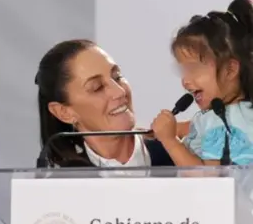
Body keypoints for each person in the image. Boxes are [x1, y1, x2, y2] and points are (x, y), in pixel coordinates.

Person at [36, 39, 174, 167]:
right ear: (64, 112)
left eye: (117, 76)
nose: (119, 91)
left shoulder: (179, 153)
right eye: (97, 87)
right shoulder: (63, 186)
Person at [151, 0, 253, 166]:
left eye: (193, 69)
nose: (185, 81)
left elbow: (209, 178)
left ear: (230, 69)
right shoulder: (238, 114)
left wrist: (170, 141)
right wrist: (175, 128)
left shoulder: (219, 124)